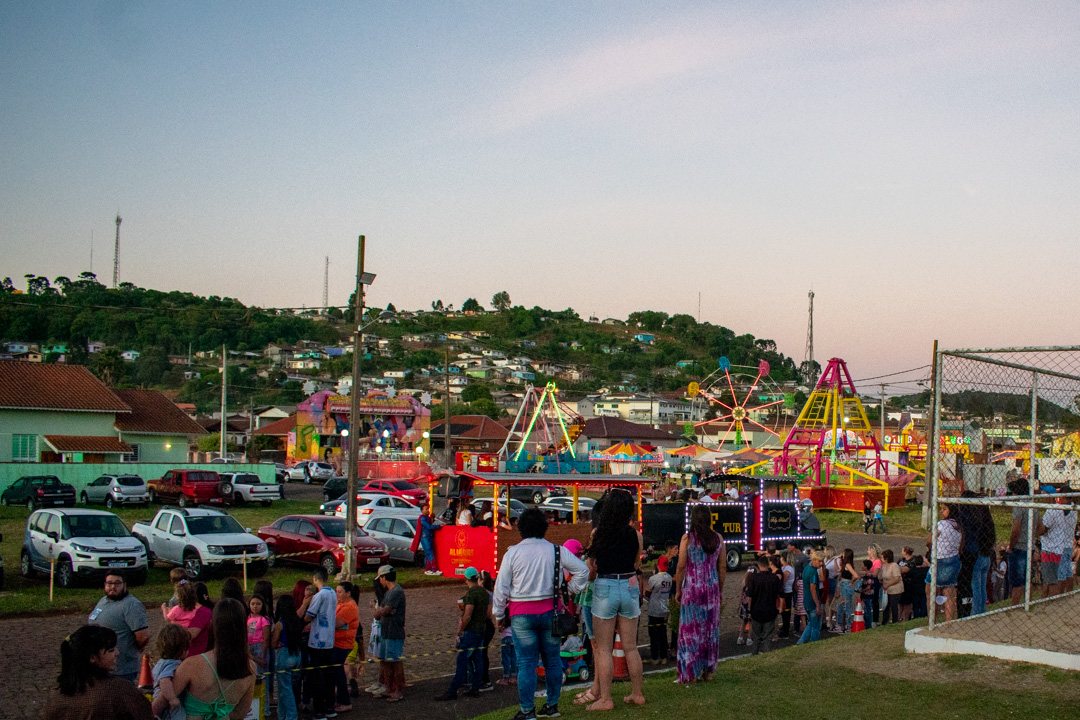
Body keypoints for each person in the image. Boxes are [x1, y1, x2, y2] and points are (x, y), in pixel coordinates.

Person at [492, 508, 588, 720]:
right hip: (550, 613)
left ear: (521, 529)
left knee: (526, 663)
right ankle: (552, 705)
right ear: (544, 527)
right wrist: (570, 591)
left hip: (520, 614)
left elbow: (501, 588)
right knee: (552, 660)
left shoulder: (512, 553)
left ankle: (527, 711)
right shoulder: (556, 551)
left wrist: (499, 614)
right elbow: (583, 570)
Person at [583, 489, 645, 711]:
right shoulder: (635, 535)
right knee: (630, 646)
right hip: (629, 585)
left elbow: (591, 568)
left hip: (606, 585)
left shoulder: (599, 533)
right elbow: (637, 563)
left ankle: (606, 698)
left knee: (603, 648)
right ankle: (637, 693)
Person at [161, 598, 256, 720]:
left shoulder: (191, 664)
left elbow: (161, 703)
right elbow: (239, 714)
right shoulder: (250, 669)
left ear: (214, 625)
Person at [43, 625, 153, 720]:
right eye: (110, 650)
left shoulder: (56, 698)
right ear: (93, 657)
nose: (117, 652)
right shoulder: (118, 690)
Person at [674, 504, 726, 684]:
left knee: (691, 630)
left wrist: (678, 589)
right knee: (709, 631)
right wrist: (719, 590)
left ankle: (690, 672)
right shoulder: (718, 539)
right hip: (711, 589)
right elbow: (722, 568)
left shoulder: (687, 539)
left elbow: (681, 566)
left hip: (692, 589)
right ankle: (708, 671)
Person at [436, 567, 489, 700]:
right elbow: (488, 614)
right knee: (478, 659)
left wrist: (461, 630)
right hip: (481, 629)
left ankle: (453, 690)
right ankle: (475, 687)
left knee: (462, 660)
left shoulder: (471, 594)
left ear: (466, 579)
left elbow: (467, 615)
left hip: (471, 630)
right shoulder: (484, 593)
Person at [88, 572, 149, 681]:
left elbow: (142, 637)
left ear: (124, 585)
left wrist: (131, 649)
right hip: (100, 666)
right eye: (109, 583)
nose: (112, 587)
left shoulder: (132, 605)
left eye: (117, 583)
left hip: (121, 669)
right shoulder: (103, 601)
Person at [301, 566, 338, 719]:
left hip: (317, 640)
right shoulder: (333, 593)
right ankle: (330, 707)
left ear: (315, 579)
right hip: (329, 639)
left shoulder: (319, 595)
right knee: (329, 675)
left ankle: (319, 710)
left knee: (317, 676)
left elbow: (309, 616)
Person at [372, 565, 407, 702]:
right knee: (387, 661)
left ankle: (398, 691)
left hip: (394, 632)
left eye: (380, 578)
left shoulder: (396, 592)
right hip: (387, 631)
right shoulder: (389, 593)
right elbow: (381, 613)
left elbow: (383, 611)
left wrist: (379, 610)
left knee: (395, 661)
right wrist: (382, 611)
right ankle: (389, 688)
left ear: (384, 577)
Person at [1038, 490, 1077, 598]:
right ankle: (1069, 594)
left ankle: (1059, 597)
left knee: (1061, 574)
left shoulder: (1062, 509)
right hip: (1068, 543)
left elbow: (1044, 528)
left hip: (1062, 544)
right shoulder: (1072, 508)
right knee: (1068, 571)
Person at [927, 503, 963, 622]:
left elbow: (931, 538)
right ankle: (949, 621)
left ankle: (932, 620)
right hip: (953, 559)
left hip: (940, 559)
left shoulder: (942, 524)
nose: (942, 512)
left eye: (944, 509)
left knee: (931, 591)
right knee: (950, 593)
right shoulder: (958, 526)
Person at [273, 594, 304, 720]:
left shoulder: (280, 624)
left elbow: (273, 643)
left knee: (285, 690)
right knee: (286, 688)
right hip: (296, 655)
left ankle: (291, 716)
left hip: (284, 656)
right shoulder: (296, 620)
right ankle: (282, 715)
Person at [162, 581, 213, 658]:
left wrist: (165, 610)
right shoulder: (199, 611)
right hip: (194, 654)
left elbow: (191, 635)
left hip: (191, 655)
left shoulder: (202, 613)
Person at [330, 582, 359, 712]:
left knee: (338, 671)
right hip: (336, 642)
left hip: (343, 644)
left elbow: (337, 623)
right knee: (336, 671)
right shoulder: (340, 604)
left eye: (340, 592)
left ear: (348, 593)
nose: (337, 594)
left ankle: (345, 701)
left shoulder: (350, 607)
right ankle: (340, 698)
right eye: (336, 591)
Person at [152, 623, 191, 720]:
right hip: (169, 706)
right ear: (183, 651)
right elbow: (164, 680)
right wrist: (172, 699)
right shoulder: (173, 664)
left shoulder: (160, 662)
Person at [746, 555, 782, 654]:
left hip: (756, 610)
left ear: (759, 565)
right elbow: (781, 594)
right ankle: (766, 656)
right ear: (768, 564)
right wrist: (780, 607)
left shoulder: (753, 578)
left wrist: (749, 608)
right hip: (770, 610)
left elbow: (750, 596)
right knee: (767, 637)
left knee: (756, 637)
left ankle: (754, 654)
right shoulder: (774, 578)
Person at [1006, 476, 1033, 605]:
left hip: (1019, 547)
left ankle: (1014, 605)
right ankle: (1029, 602)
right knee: (1027, 579)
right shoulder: (1034, 503)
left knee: (1017, 581)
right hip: (1030, 545)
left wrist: (1011, 546)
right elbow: (1039, 526)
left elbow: (1016, 529)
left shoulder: (1019, 505)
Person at [247, 594, 272, 708]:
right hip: (249, 648)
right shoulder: (248, 618)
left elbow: (266, 638)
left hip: (260, 647)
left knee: (262, 680)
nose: (255, 606)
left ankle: (264, 707)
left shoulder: (264, 619)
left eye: (258, 604)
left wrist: (262, 655)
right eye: (253, 604)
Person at [645, 559, 672, 664]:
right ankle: (664, 656)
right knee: (663, 632)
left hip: (654, 608)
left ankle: (655, 657)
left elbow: (648, 593)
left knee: (653, 633)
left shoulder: (653, 578)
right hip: (665, 607)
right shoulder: (669, 577)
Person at [796, 551, 824, 644]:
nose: (821, 563)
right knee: (816, 626)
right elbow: (813, 589)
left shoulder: (806, 569)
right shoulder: (813, 572)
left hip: (806, 601)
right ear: (815, 560)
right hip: (813, 602)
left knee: (810, 623)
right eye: (820, 561)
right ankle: (813, 643)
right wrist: (817, 605)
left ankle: (801, 642)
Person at [835, 549, 860, 633]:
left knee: (845, 606)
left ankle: (847, 625)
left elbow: (855, 575)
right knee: (842, 605)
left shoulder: (848, 565)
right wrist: (836, 560)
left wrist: (852, 582)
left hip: (846, 585)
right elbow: (838, 569)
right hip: (844, 585)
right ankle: (842, 625)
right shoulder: (847, 564)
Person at [879, 549, 903, 625]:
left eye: (882, 558)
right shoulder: (883, 566)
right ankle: (884, 621)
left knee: (893, 606)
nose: (881, 559)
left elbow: (897, 579)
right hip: (887, 590)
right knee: (886, 606)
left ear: (886, 558)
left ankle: (895, 621)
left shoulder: (894, 566)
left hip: (895, 589)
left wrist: (888, 584)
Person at [779, 552, 795, 638]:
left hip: (787, 592)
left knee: (786, 612)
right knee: (784, 612)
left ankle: (786, 629)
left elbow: (784, 581)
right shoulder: (785, 567)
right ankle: (785, 627)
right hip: (787, 591)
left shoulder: (788, 569)